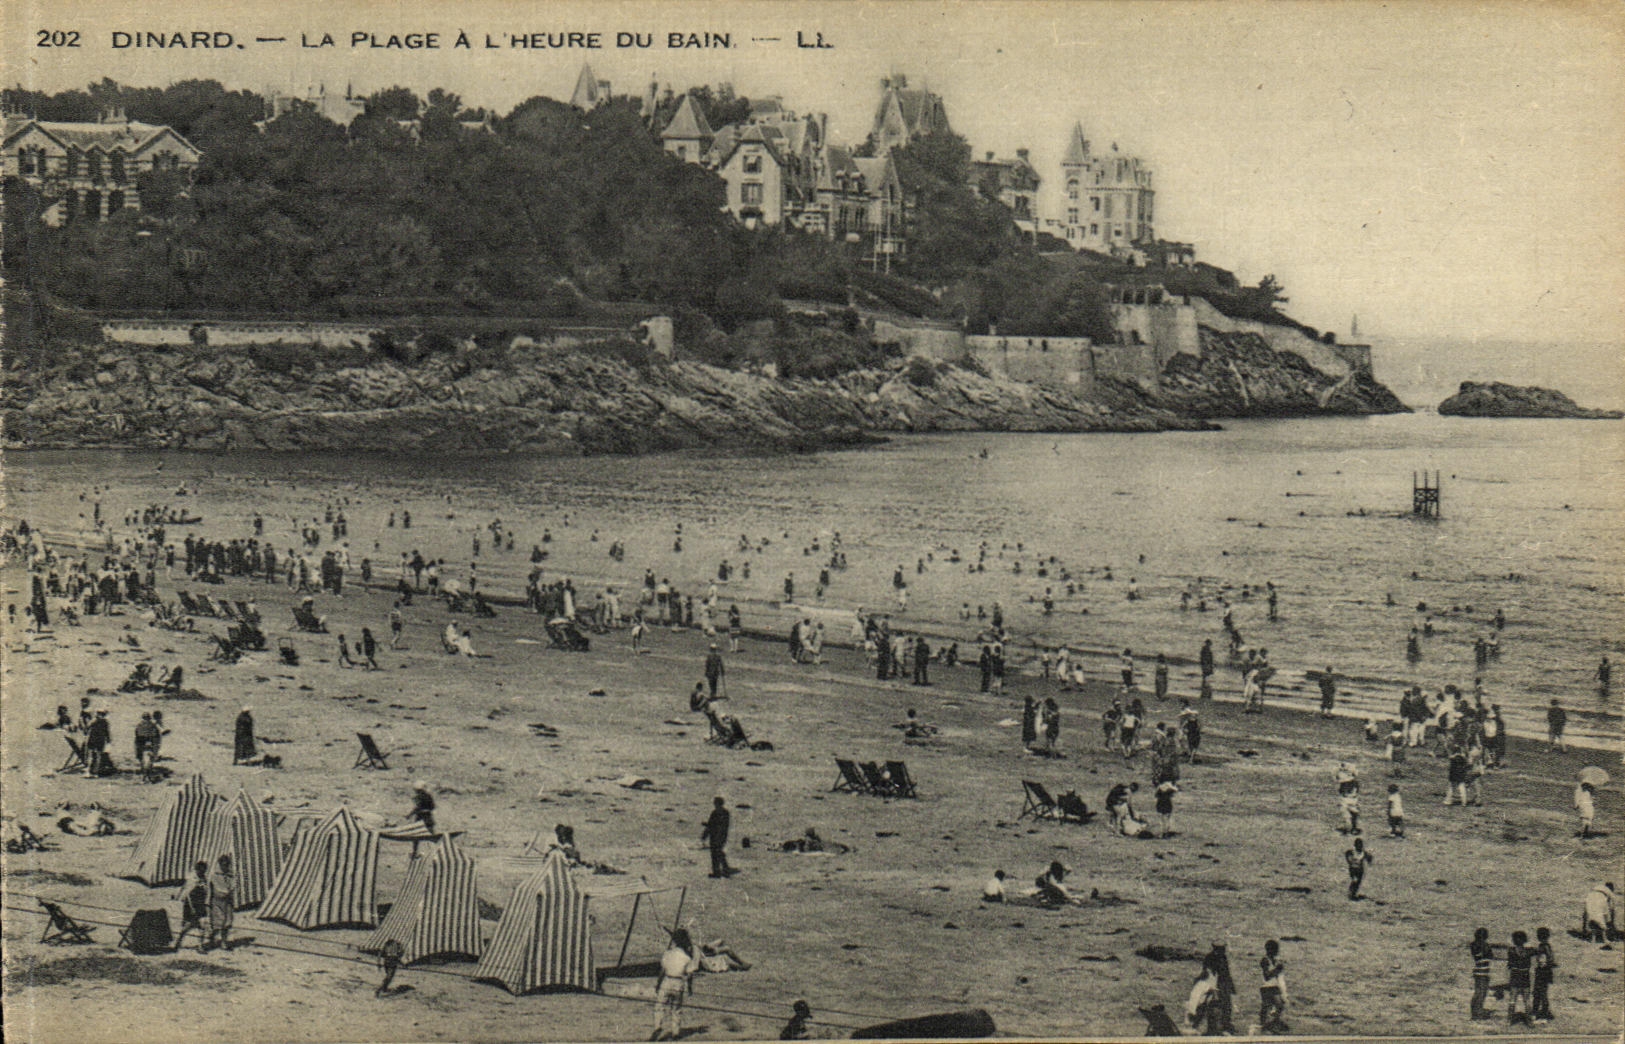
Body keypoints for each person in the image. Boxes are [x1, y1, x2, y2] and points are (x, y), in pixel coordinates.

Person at [652, 928, 700, 1041]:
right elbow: (689, 974)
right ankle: (675, 1032)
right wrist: (690, 987)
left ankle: (658, 1026)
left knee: (660, 1006)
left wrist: (658, 984)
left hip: (667, 981)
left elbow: (662, 972)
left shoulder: (668, 954)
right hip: (679, 983)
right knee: (676, 1009)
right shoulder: (686, 958)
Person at [175, 861, 211, 952]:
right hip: (191, 905)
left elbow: (206, 892)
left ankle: (200, 946)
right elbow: (187, 895)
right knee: (188, 926)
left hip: (200, 904)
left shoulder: (204, 879)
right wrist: (192, 908)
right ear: (197, 870)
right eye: (201, 870)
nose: (202, 872)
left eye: (204, 870)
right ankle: (178, 942)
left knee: (202, 925)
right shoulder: (192, 878)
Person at [1258, 939, 1288, 1033]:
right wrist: (1277, 970)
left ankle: (1269, 1024)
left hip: (1273, 986)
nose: (1277, 952)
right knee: (1272, 1005)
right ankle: (1267, 1024)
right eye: (1275, 949)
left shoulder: (1274, 960)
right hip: (1267, 986)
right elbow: (1267, 976)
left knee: (1276, 1005)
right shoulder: (1265, 960)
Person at [207, 854, 235, 951]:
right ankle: (212, 938)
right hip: (217, 902)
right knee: (218, 923)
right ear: (220, 864)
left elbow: (232, 887)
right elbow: (210, 890)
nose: (225, 866)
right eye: (223, 864)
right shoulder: (214, 876)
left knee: (227, 923)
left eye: (227, 864)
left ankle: (224, 942)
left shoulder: (231, 876)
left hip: (227, 902)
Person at [1506, 930, 1534, 1026]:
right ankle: (1529, 1020)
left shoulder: (1511, 951)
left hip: (1515, 975)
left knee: (1512, 999)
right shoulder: (1529, 951)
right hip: (1525, 976)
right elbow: (1535, 950)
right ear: (1525, 940)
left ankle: (1509, 1020)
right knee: (1527, 999)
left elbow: (1509, 964)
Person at [701, 796, 732, 878]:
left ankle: (724, 870)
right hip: (714, 836)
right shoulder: (715, 813)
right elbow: (710, 825)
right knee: (714, 854)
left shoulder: (724, 813)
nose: (715, 805)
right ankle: (718, 871)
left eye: (716, 803)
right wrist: (705, 835)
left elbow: (723, 826)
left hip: (720, 836)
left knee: (718, 852)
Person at [1532, 926, 1557, 1022]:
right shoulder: (1548, 946)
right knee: (1543, 992)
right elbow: (1551, 959)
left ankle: (1539, 1011)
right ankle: (1543, 1011)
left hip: (1542, 972)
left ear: (1538, 936)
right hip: (1547, 972)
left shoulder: (1542, 947)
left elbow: (1542, 961)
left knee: (1539, 992)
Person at [1469, 927, 1494, 1019]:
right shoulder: (1485, 945)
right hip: (1484, 972)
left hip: (1477, 971)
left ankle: (1474, 1011)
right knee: (1482, 993)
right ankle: (1479, 1012)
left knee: (1477, 992)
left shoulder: (1473, 945)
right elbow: (1491, 956)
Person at [85, 709, 112, 777]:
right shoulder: (96, 721)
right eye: (98, 714)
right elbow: (87, 728)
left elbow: (107, 732)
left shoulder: (104, 722)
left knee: (97, 756)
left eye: (100, 714)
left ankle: (94, 772)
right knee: (92, 756)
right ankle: (89, 771)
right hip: (94, 740)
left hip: (99, 740)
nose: (99, 715)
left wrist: (108, 740)